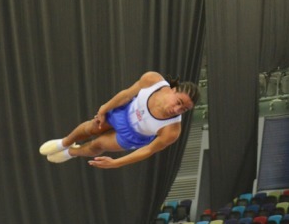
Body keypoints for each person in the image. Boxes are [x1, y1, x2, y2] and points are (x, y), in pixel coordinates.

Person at [39, 71, 199, 169]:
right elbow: (127, 94)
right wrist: (105, 108)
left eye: (184, 109)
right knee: (92, 128)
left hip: (134, 135)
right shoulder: (152, 80)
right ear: (173, 90)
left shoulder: (172, 130)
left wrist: (116, 163)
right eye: (178, 103)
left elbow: (149, 150)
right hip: (124, 111)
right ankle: (64, 142)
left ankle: (70, 152)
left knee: (98, 144)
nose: (177, 110)